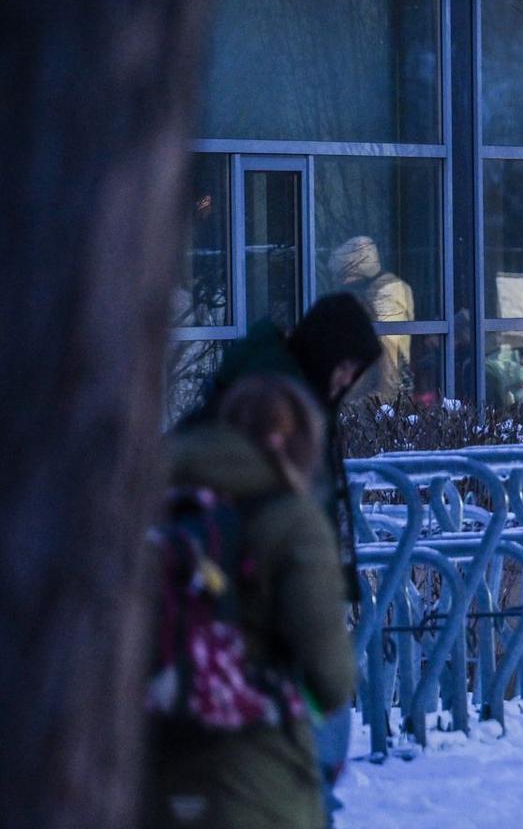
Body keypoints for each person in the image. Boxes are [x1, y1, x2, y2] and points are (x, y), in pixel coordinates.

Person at [180, 293, 381, 821]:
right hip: (270, 705)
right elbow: (329, 674)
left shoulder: (178, 472)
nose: (344, 383)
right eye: (345, 367)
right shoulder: (284, 496)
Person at [145, 374, 358, 829]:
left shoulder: (152, 503)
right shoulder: (290, 520)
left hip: (151, 765)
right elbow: (330, 676)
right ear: (290, 442)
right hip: (256, 772)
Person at [329, 236, 415, 402]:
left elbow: (389, 353)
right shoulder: (372, 293)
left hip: (378, 396)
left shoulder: (386, 292)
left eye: (345, 276)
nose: (341, 283)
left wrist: (383, 400)